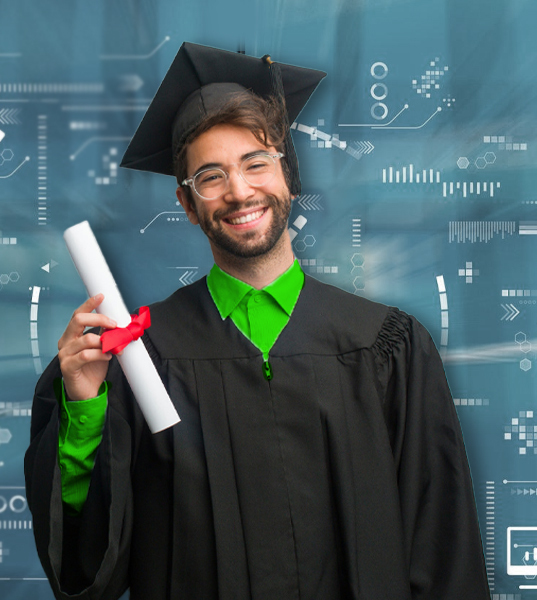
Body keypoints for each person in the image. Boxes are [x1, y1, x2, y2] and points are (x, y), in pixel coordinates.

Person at [25, 42, 489, 599]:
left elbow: (443, 549)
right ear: (186, 202)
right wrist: (83, 407)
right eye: (211, 176)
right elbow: (88, 568)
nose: (239, 191)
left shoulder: (386, 346)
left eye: (255, 162)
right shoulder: (142, 358)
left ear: (287, 174)